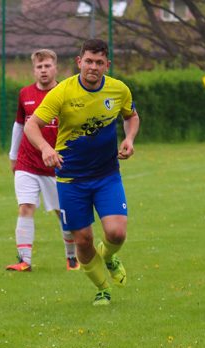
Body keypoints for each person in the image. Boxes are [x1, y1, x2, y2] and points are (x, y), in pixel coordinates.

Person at [24, 39, 139, 306]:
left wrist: (130, 138)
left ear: (107, 65)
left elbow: (131, 115)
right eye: (88, 61)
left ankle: (109, 257)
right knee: (83, 241)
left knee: (117, 233)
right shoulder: (62, 92)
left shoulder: (118, 89)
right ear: (79, 62)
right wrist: (45, 148)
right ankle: (102, 289)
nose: (93, 67)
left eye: (99, 62)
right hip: (71, 179)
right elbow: (32, 126)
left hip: (107, 174)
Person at [6, 49, 79, 272]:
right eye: (39, 67)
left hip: (57, 165)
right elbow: (19, 125)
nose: (43, 70)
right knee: (25, 207)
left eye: (47, 66)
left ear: (56, 68)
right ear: (34, 71)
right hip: (27, 162)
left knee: (63, 213)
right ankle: (24, 261)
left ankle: (72, 258)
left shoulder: (66, 92)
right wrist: (13, 156)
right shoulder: (25, 94)